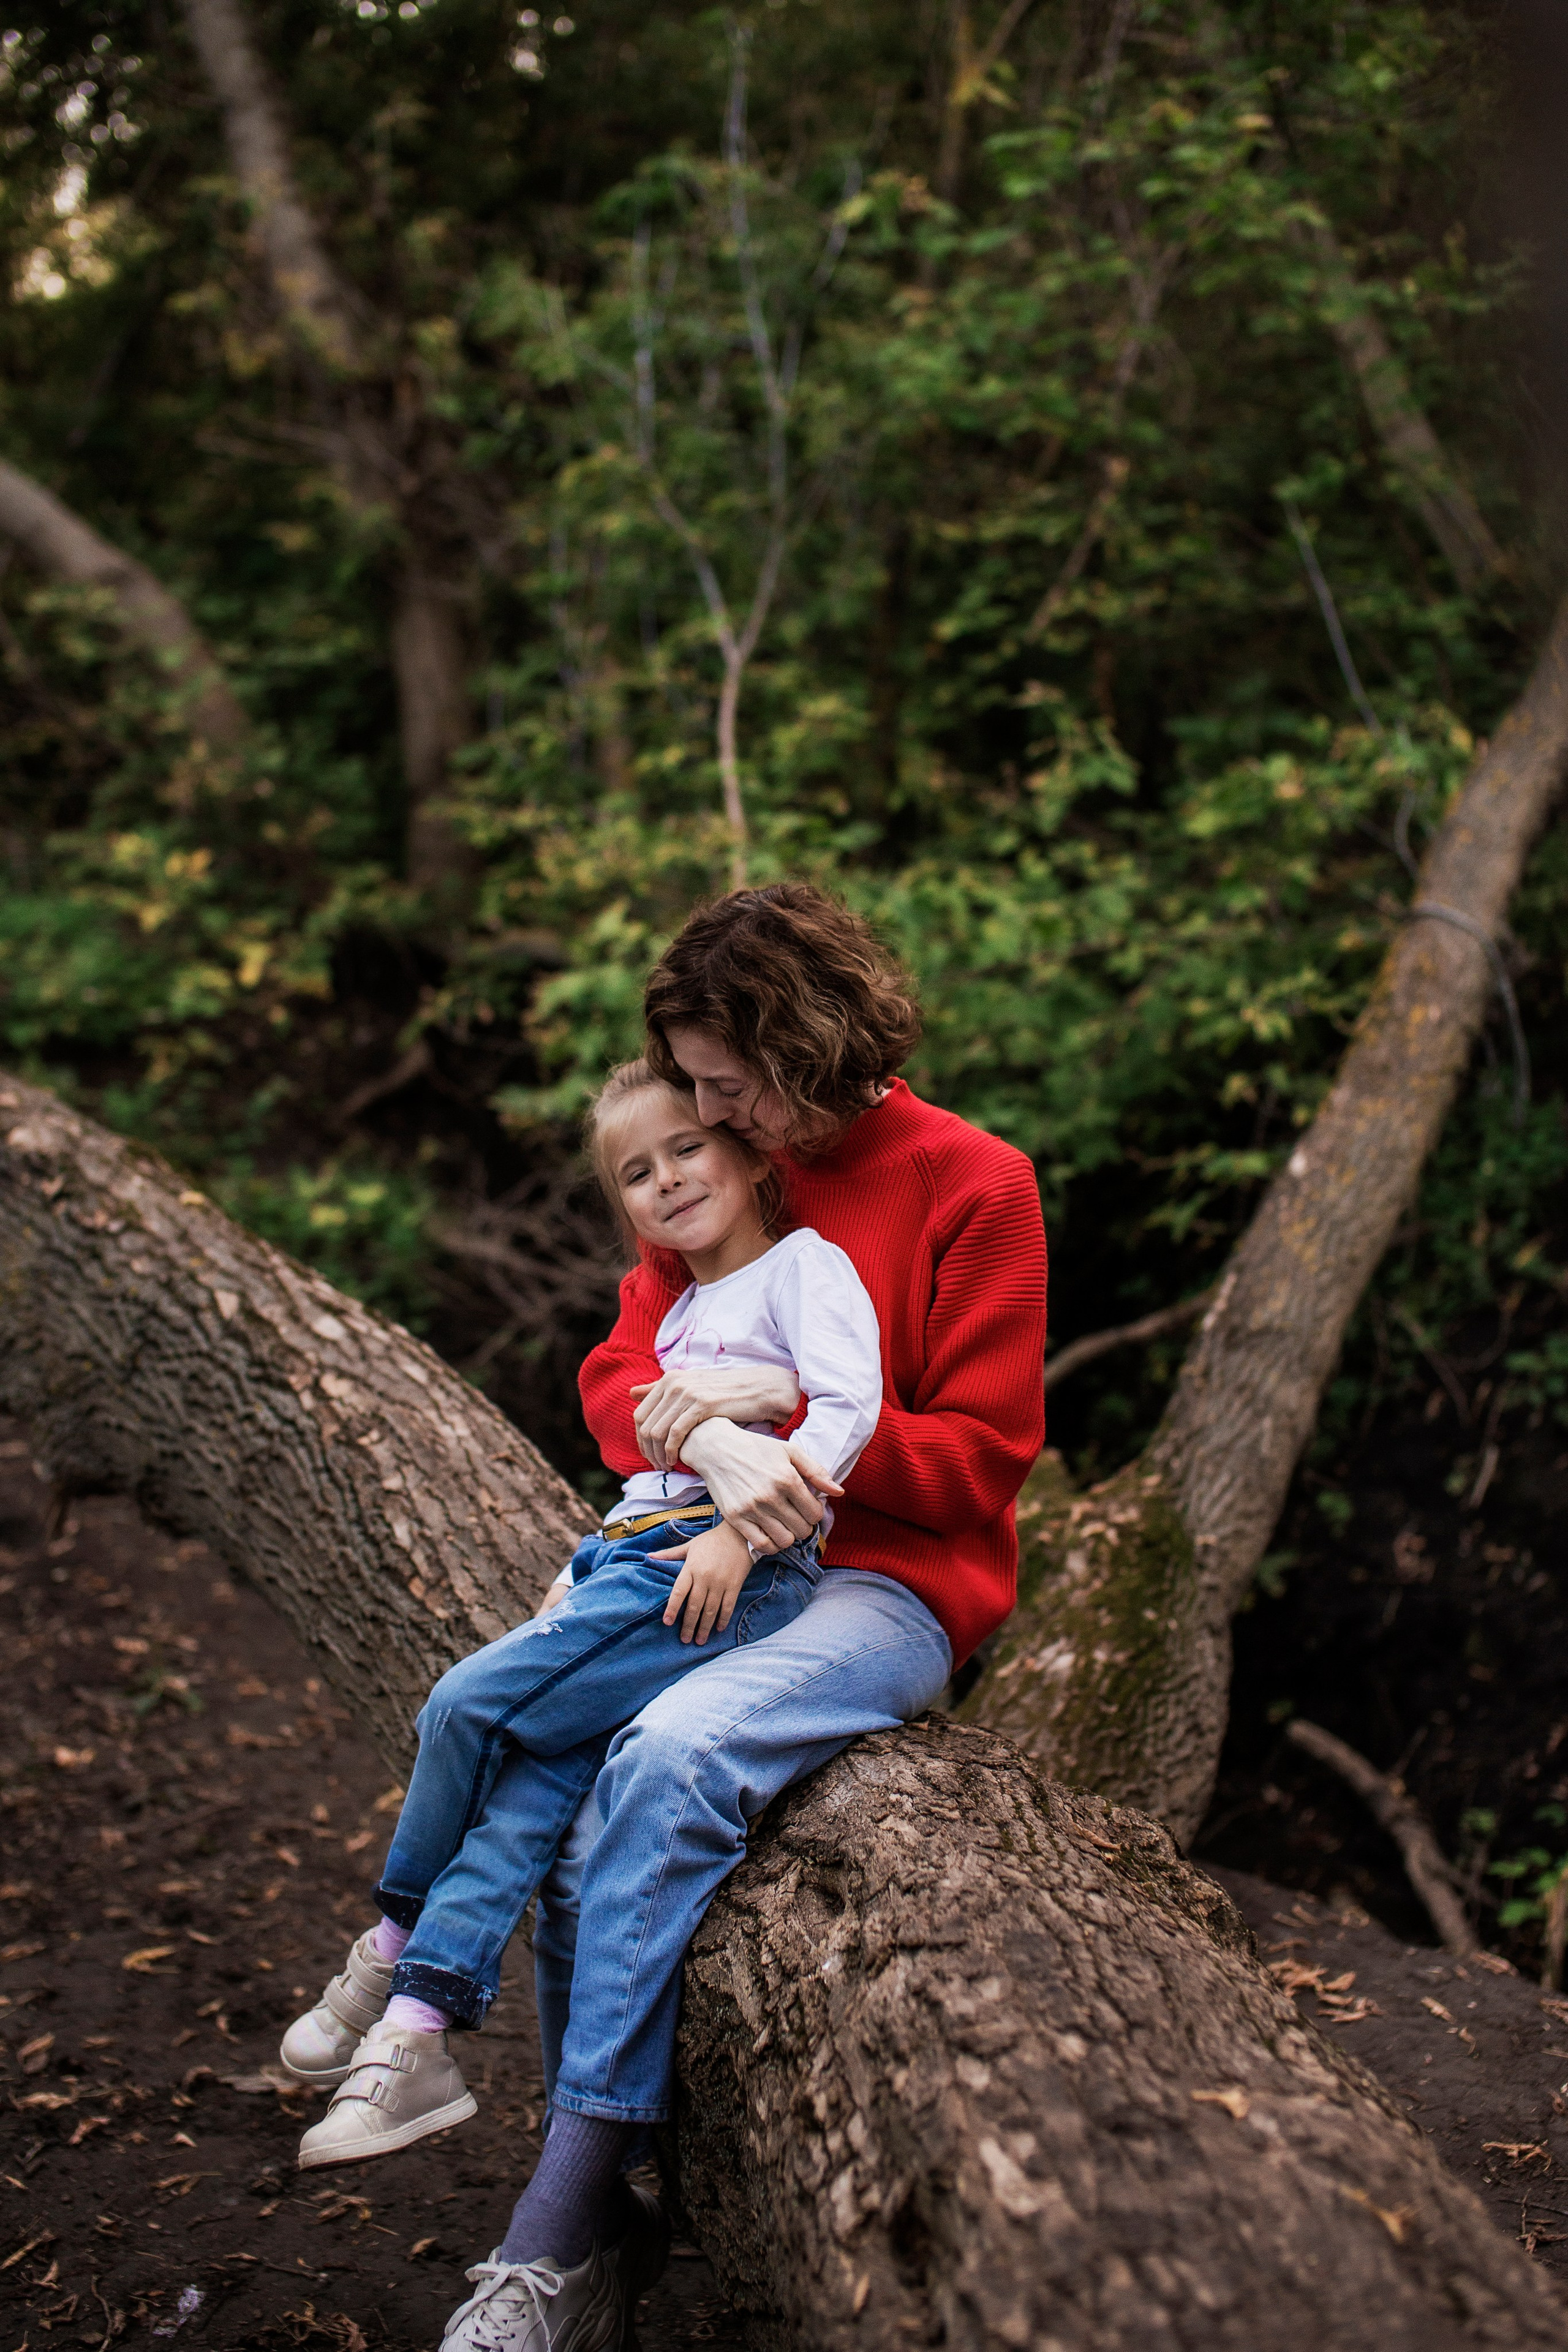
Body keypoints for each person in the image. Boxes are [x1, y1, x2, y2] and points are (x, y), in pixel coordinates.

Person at [434, 883, 1048, 2352]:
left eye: (726, 1084)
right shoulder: (728, 1170)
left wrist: (782, 1421)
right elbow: (615, 1371)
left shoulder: (976, 1186)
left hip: (890, 1583)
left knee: (671, 1754)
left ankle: (555, 2234)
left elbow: (981, 1462)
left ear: (810, 1039)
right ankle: (608, 2193)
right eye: (692, 1089)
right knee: (564, 1779)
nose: (704, 1116)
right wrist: (699, 1446)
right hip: (701, 1552)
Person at [276, 1058, 881, 2203]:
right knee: (533, 1781)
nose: (665, 1182)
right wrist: (578, 1568)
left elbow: (849, 1407)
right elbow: (640, 1448)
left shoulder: (807, 1268)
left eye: (686, 1150)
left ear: (754, 1155)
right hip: (630, 1559)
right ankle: (418, 2037)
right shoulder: (686, 1309)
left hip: (727, 1563)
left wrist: (744, 1535)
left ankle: (394, 1950)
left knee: (466, 1706)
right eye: (635, 1175)